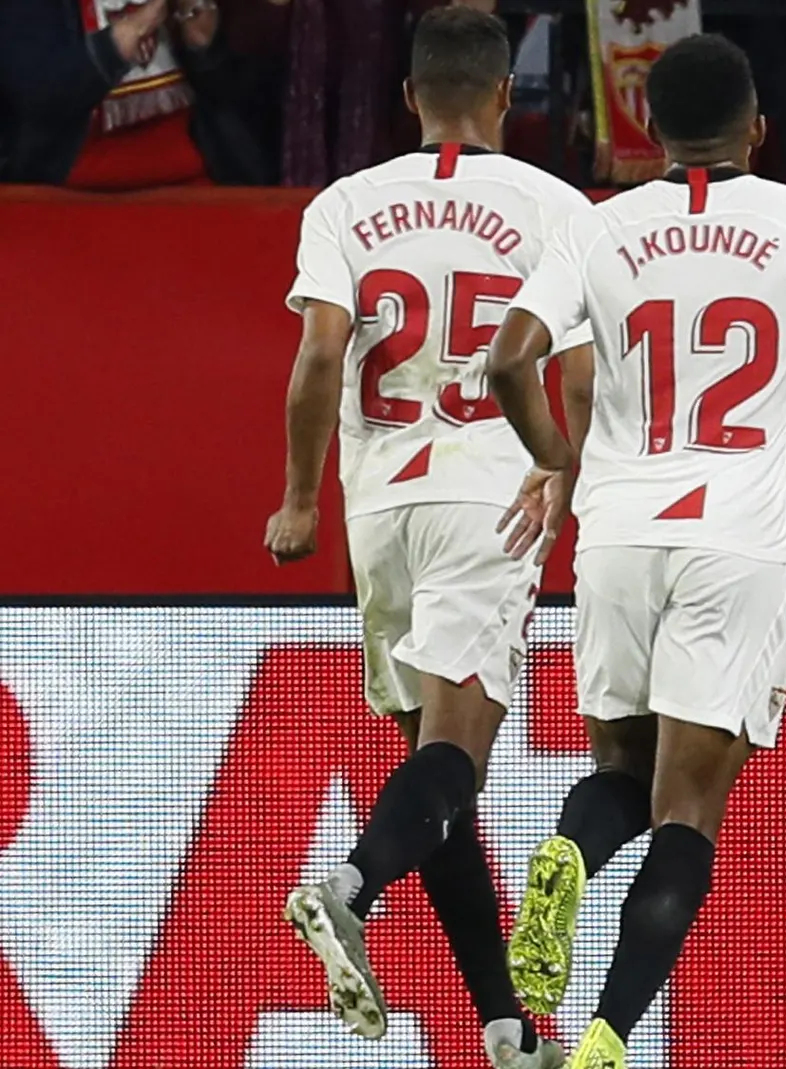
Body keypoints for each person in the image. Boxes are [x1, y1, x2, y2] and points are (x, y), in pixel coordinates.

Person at [480, 33, 786, 1069]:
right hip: (736, 540)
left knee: (617, 766)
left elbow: (508, 358)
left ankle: (569, 849)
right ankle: (608, 1037)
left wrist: (550, 459)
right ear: (759, 129)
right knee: (692, 808)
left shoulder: (597, 227)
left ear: (649, 131)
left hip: (618, 530)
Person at [265, 9, 584, 1067]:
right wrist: (560, 467)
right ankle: (346, 887)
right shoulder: (556, 208)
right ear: (505, 96)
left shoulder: (344, 203)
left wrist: (300, 501)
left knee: (434, 766)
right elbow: (571, 376)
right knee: (453, 756)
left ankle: (501, 1025)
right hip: (487, 494)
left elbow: (319, 357)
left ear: (408, 99)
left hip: (380, 506)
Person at [0, 0, 271, 187]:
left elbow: (239, 97)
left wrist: (203, 46)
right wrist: (121, 40)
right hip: (76, 194)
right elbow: (36, 97)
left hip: (195, 183)